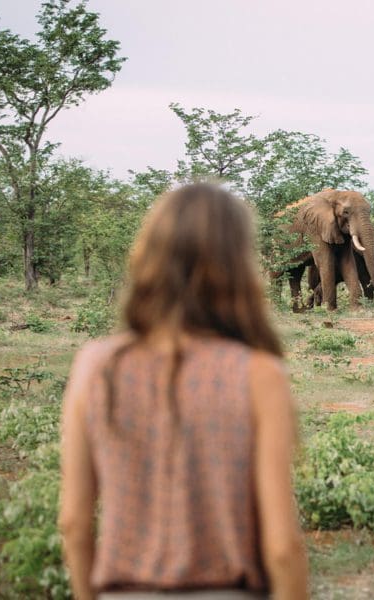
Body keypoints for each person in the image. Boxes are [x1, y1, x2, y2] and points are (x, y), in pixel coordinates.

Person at [59, 183, 308, 600]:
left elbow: (73, 521)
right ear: (237, 262)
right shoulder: (259, 373)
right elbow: (282, 546)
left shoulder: (95, 364)